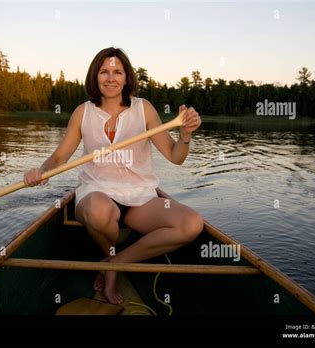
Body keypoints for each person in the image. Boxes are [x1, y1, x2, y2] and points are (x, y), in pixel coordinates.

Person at [24, 47, 204, 305]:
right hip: (96, 192)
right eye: (104, 72)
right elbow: (60, 157)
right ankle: (110, 257)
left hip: (139, 197)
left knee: (191, 223)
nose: (111, 78)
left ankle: (115, 263)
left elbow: (176, 157)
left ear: (126, 77)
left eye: (117, 72)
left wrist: (185, 135)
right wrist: (41, 171)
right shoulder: (83, 112)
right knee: (99, 211)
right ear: (95, 77)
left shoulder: (144, 109)